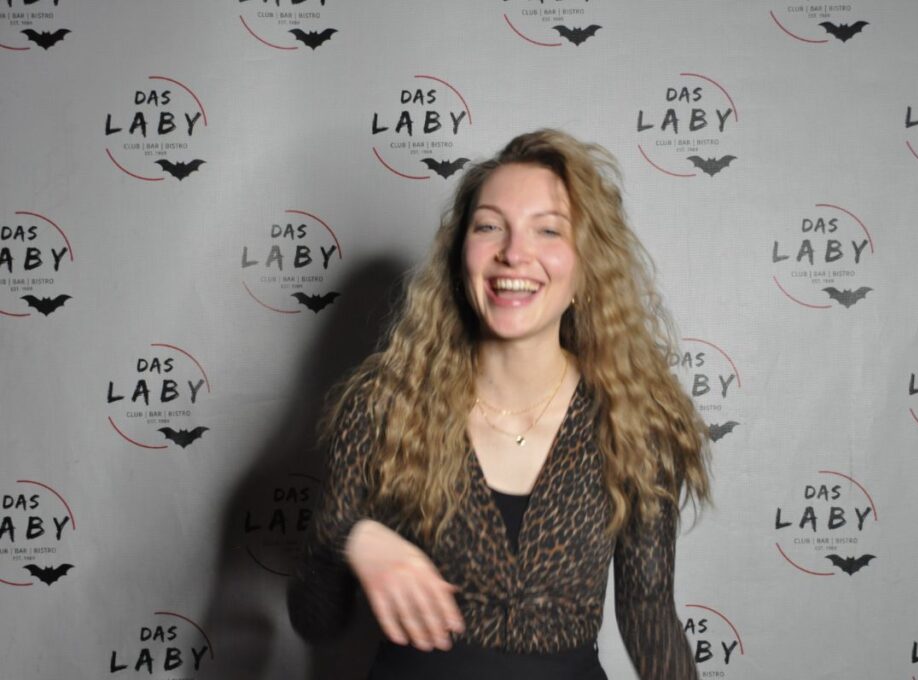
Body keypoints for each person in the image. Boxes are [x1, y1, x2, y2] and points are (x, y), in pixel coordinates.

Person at [288, 129, 712, 679]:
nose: (514, 253)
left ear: (588, 267)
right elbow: (315, 618)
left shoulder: (636, 422)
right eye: (489, 226)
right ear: (460, 256)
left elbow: (649, 615)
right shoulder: (384, 406)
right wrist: (352, 540)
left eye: (549, 230)